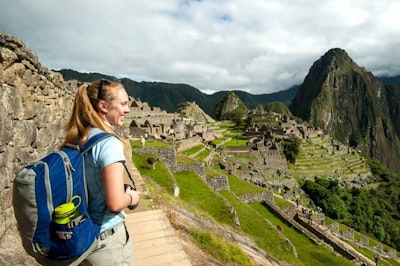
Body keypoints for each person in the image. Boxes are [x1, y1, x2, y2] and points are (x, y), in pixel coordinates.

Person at [64, 79, 140, 265]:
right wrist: (131, 197)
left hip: (80, 235)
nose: (128, 110)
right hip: (106, 241)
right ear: (103, 106)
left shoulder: (78, 137)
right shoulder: (109, 144)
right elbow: (115, 203)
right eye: (123, 104)